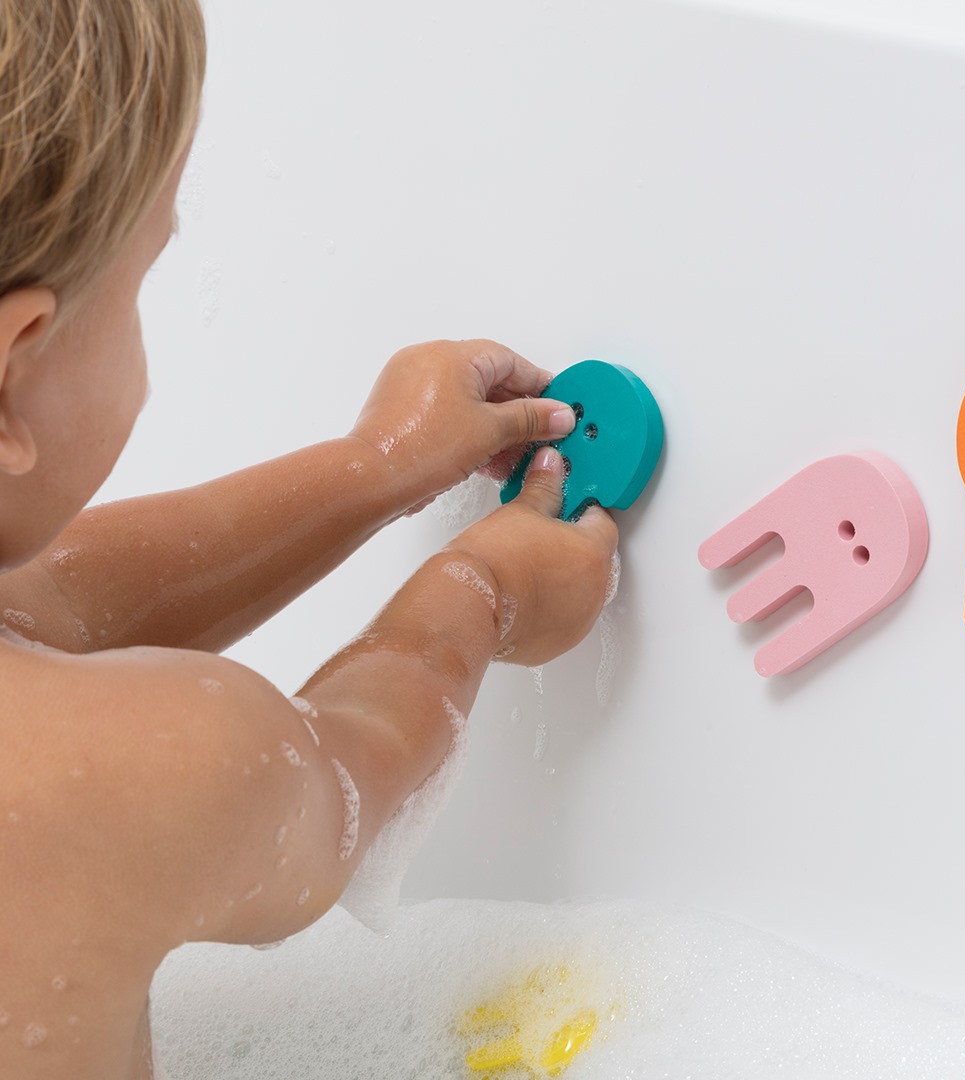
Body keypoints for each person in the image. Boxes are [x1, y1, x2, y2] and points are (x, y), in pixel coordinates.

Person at [0, 2, 618, 1077]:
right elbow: (348, 784)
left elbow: (53, 606)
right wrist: (481, 588)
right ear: (18, 360)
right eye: (144, 283)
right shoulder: (143, 767)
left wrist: (377, 465)